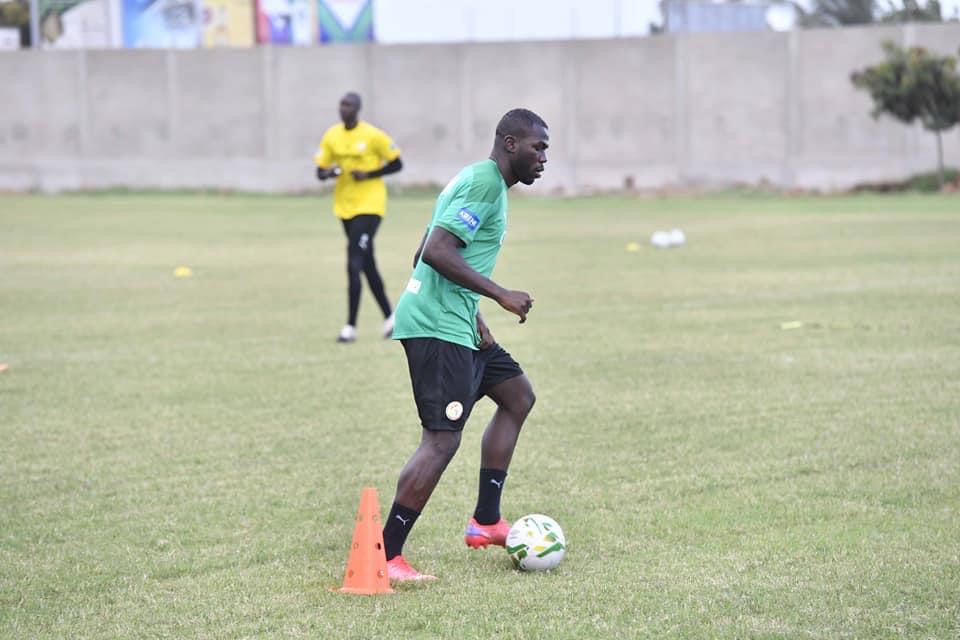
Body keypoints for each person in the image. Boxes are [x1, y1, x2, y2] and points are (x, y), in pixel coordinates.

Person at [381, 108, 549, 582]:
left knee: (517, 396)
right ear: (510, 143)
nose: (544, 159)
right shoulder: (483, 184)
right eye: (538, 148)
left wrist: (475, 313)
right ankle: (386, 555)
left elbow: (422, 250)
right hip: (436, 325)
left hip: (459, 322)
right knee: (441, 439)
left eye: (547, 151)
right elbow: (435, 252)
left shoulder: (483, 182)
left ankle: (487, 521)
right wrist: (499, 295)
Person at [314, 92, 403, 343]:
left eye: (349, 105)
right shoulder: (332, 135)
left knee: (354, 261)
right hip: (345, 207)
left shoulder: (373, 135)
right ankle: (390, 318)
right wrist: (330, 172)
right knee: (367, 263)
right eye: (341, 104)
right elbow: (319, 172)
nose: (344, 108)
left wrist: (371, 174)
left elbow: (397, 164)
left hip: (371, 207)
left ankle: (350, 327)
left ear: (358, 109)